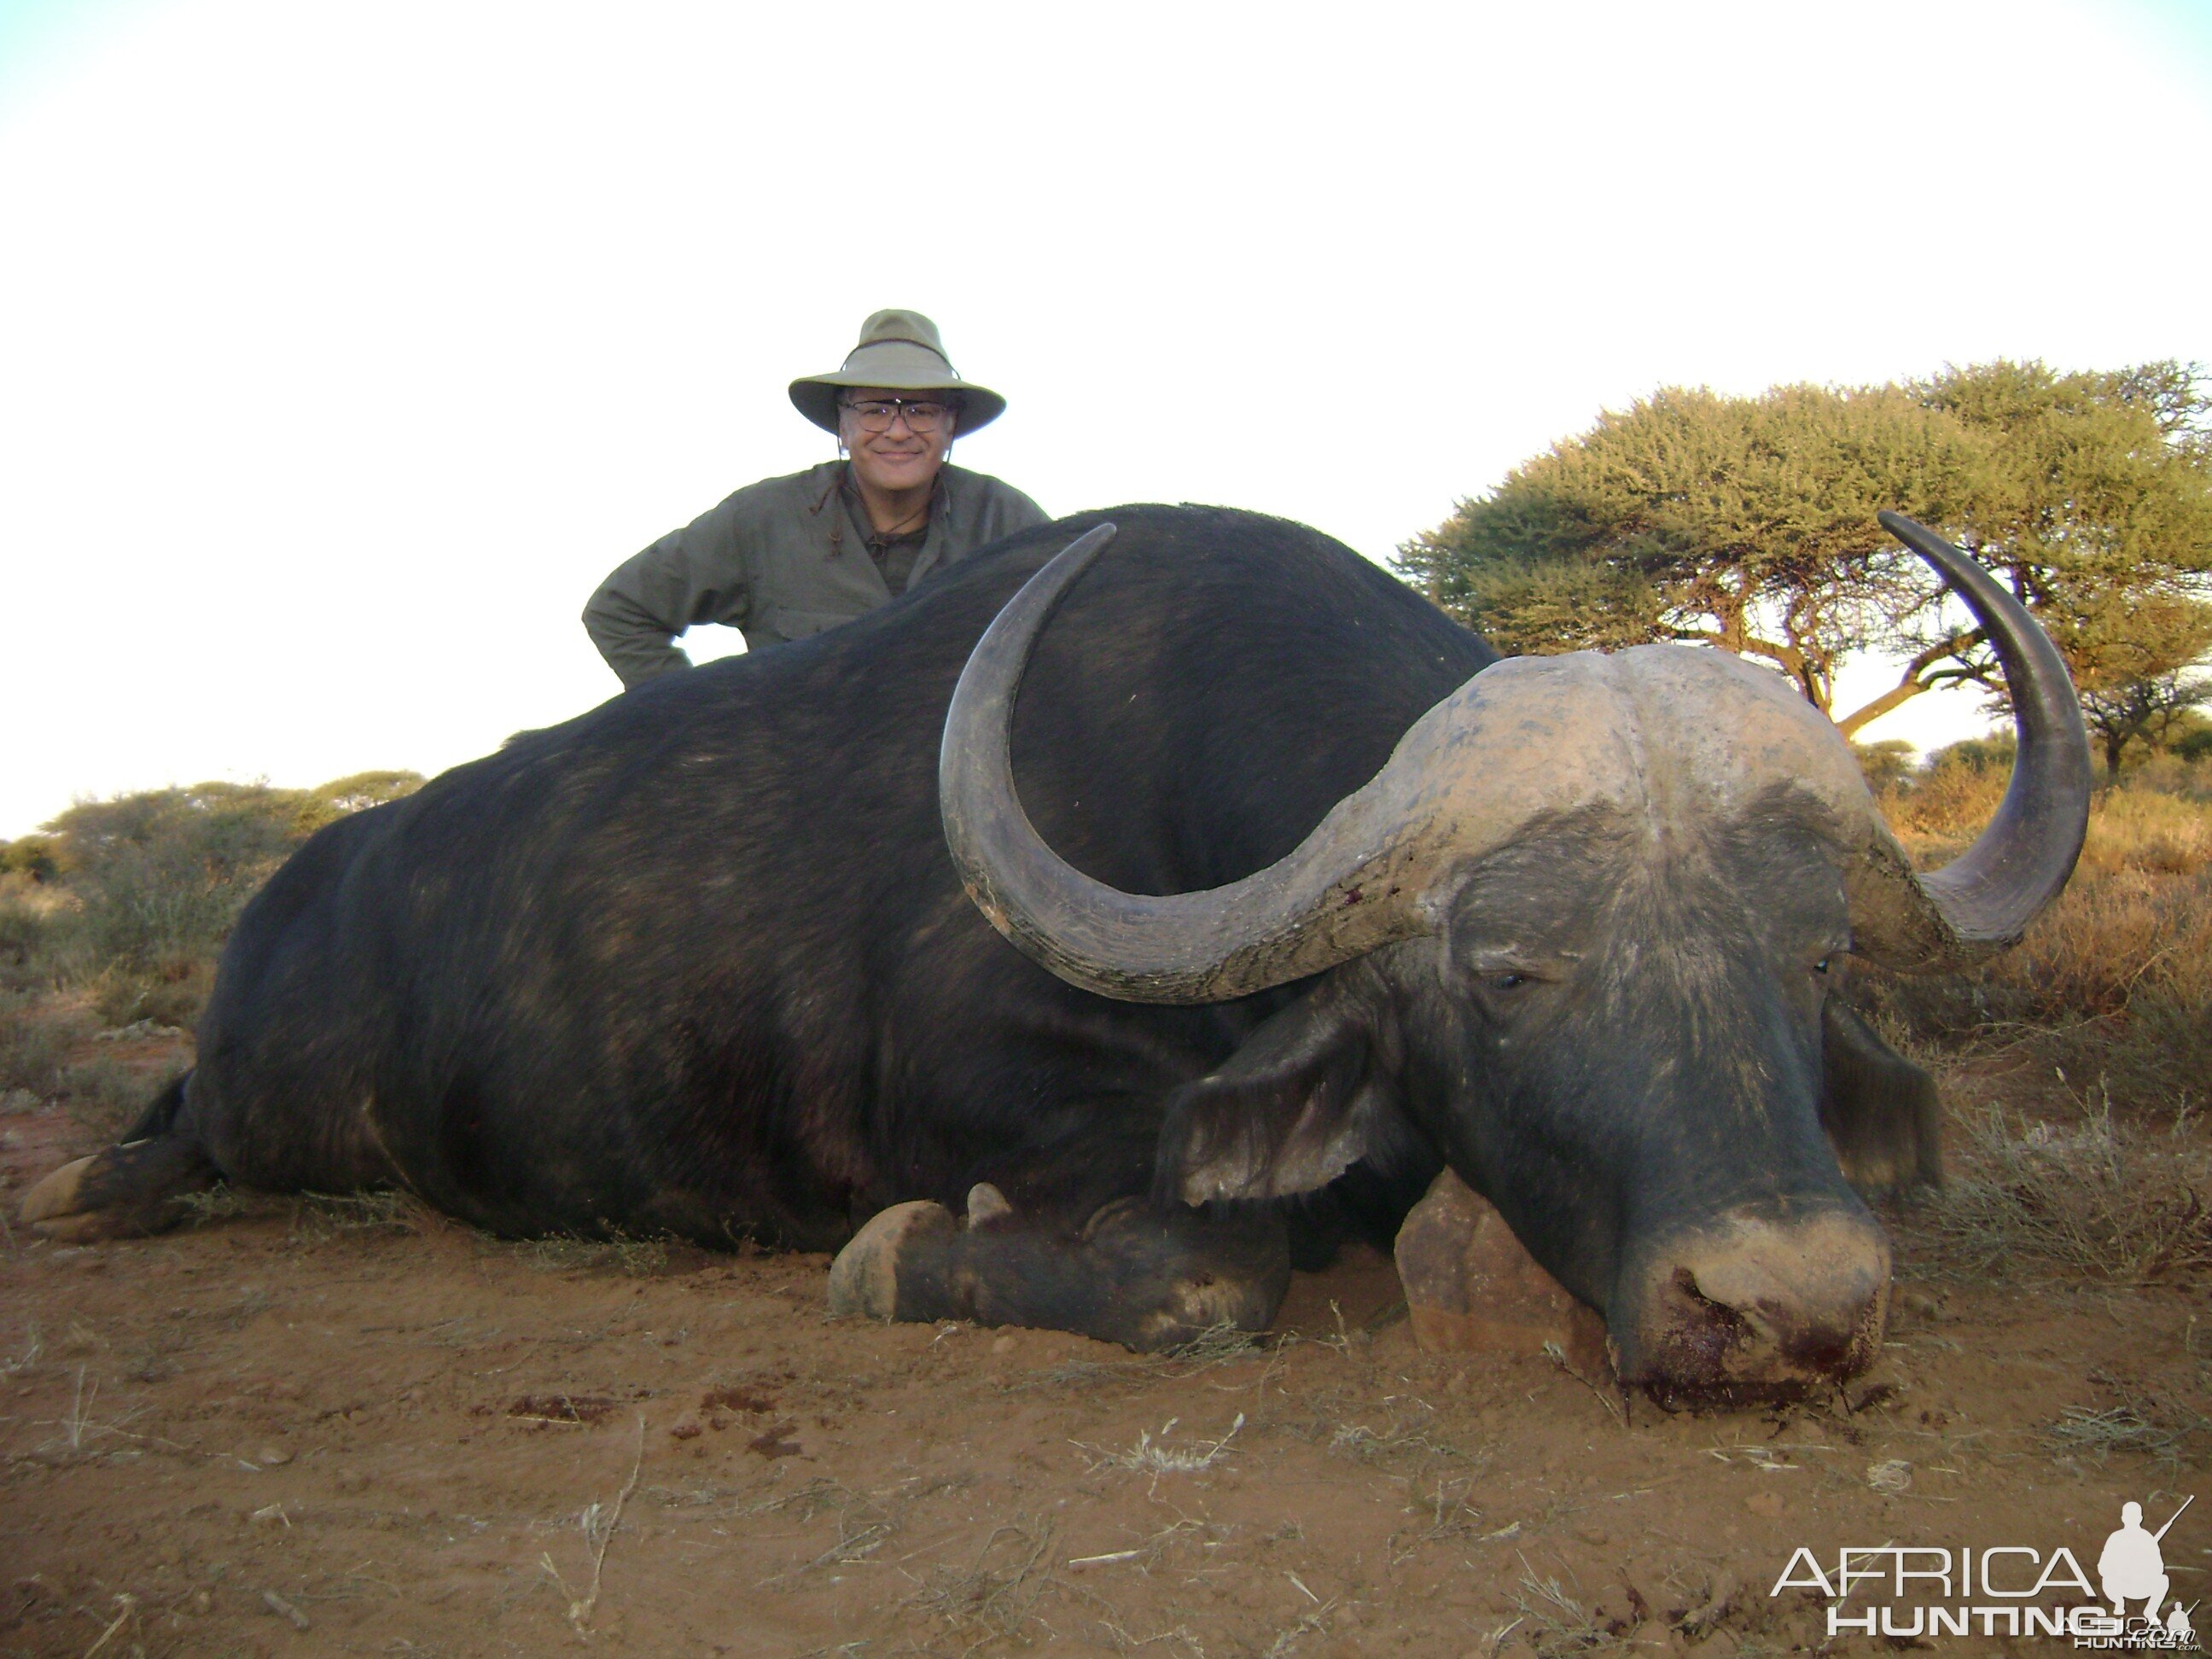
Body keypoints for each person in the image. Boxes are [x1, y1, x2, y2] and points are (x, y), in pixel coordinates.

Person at [583, 310, 1047, 689]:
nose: (898, 431)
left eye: (923, 411)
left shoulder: (1010, 524)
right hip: (802, 796)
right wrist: (700, 726)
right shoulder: (761, 520)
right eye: (875, 410)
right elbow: (619, 610)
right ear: (841, 427)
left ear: (951, 427)